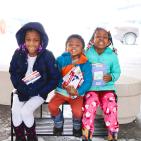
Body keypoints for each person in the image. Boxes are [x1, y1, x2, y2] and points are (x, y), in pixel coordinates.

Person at [9, 22, 60, 141]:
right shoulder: (18, 53)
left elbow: (55, 78)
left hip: (39, 92)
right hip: (22, 90)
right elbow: (13, 72)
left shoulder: (47, 55)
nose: (31, 43)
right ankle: (20, 138)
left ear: (41, 41)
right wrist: (20, 87)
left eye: (35, 40)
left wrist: (43, 92)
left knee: (25, 111)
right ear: (23, 40)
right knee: (15, 112)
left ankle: (32, 138)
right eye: (28, 39)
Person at [48, 34, 93, 137]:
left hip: (76, 94)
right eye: (70, 44)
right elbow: (55, 75)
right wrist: (62, 84)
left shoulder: (86, 63)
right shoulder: (61, 60)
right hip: (61, 92)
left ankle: (76, 126)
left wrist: (78, 92)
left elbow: (88, 81)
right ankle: (58, 122)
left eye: (77, 45)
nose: (73, 47)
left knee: (78, 112)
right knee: (52, 106)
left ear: (82, 49)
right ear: (66, 47)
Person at [82, 27, 121, 141]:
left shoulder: (112, 55)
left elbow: (117, 71)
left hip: (107, 88)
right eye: (98, 36)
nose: (101, 39)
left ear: (108, 41)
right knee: (89, 105)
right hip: (91, 88)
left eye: (104, 37)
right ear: (92, 39)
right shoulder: (87, 53)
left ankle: (112, 133)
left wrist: (111, 77)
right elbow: (81, 67)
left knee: (111, 106)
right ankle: (87, 134)